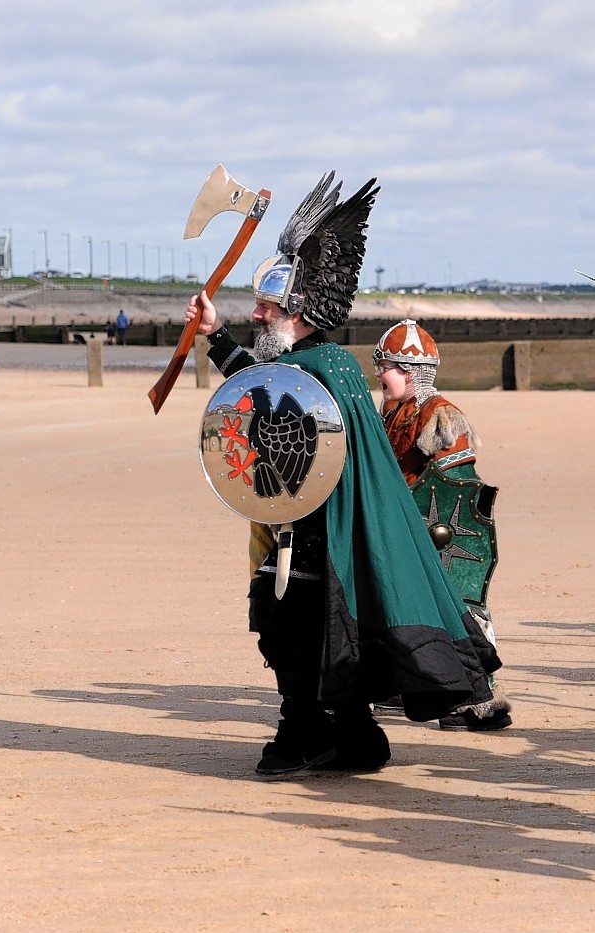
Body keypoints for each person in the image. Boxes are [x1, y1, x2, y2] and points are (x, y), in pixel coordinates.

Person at [186, 173, 499, 778]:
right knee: (311, 630)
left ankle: (302, 735)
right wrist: (215, 336)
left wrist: (224, 345)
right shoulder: (321, 365)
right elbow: (261, 390)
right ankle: (356, 736)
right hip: (308, 526)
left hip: (316, 532)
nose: (258, 313)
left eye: (268, 307)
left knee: (289, 632)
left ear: (296, 311)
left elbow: (270, 406)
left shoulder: (320, 368)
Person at [372, 319, 512, 731]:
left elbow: (457, 491)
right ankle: (400, 687)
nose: (379, 374)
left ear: (412, 373)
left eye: (388, 367)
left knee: (456, 612)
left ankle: (473, 698)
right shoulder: (390, 412)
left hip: (433, 536)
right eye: (379, 365)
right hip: (397, 529)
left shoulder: (440, 415)